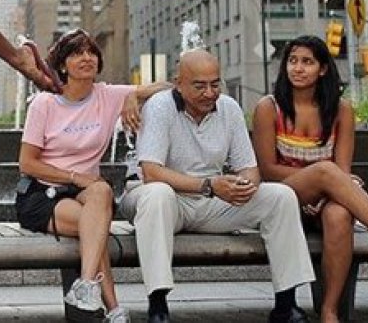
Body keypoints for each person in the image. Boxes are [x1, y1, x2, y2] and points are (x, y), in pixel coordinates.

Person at [118, 49, 314, 323]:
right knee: (158, 195)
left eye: (215, 84)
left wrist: (243, 186)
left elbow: (249, 167)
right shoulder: (160, 106)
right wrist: (210, 186)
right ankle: (158, 305)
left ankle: (286, 304)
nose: (209, 93)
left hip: (211, 200)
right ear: (179, 83)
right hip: (163, 198)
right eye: (199, 86)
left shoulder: (229, 108)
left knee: (281, 196)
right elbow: (151, 172)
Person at [252, 35, 368, 322]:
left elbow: (342, 169)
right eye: (292, 61)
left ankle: (330, 310)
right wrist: (320, 180)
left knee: (340, 214)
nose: (298, 68)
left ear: (323, 69)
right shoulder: (269, 108)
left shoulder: (342, 111)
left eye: (307, 62)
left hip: (324, 200)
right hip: (282, 198)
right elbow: (268, 169)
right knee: (327, 171)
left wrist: (325, 189)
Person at [16, 29, 170, 322]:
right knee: (95, 225)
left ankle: (86, 286)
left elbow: (168, 87)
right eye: (76, 53)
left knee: (101, 194)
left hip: (86, 195)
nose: (86, 58)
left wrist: (133, 97)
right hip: (41, 194)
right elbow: (27, 164)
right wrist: (76, 177)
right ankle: (113, 310)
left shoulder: (107, 95)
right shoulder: (44, 104)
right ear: (62, 65)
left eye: (91, 53)